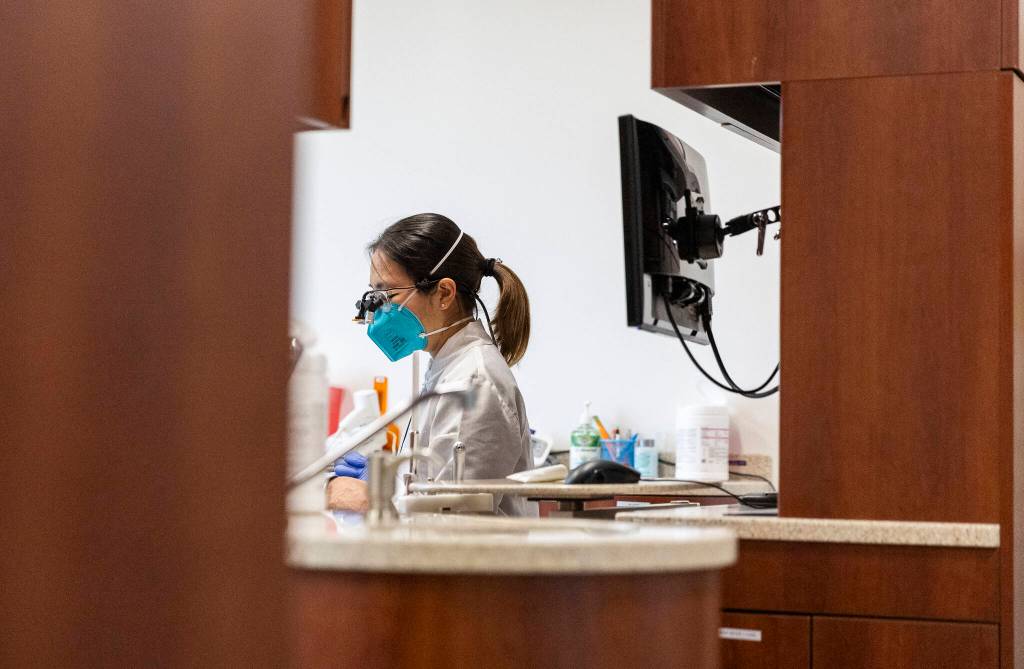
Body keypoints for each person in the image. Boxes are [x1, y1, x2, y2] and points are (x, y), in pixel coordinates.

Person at [327, 213, 535, 516]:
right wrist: (390, 480)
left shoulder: (475, 381)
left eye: (387, 294)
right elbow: (432, 484)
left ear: (444, 293)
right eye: (374, 296)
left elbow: (450, 516)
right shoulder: (448, 367)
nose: (375, 311)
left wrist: (371, 497)